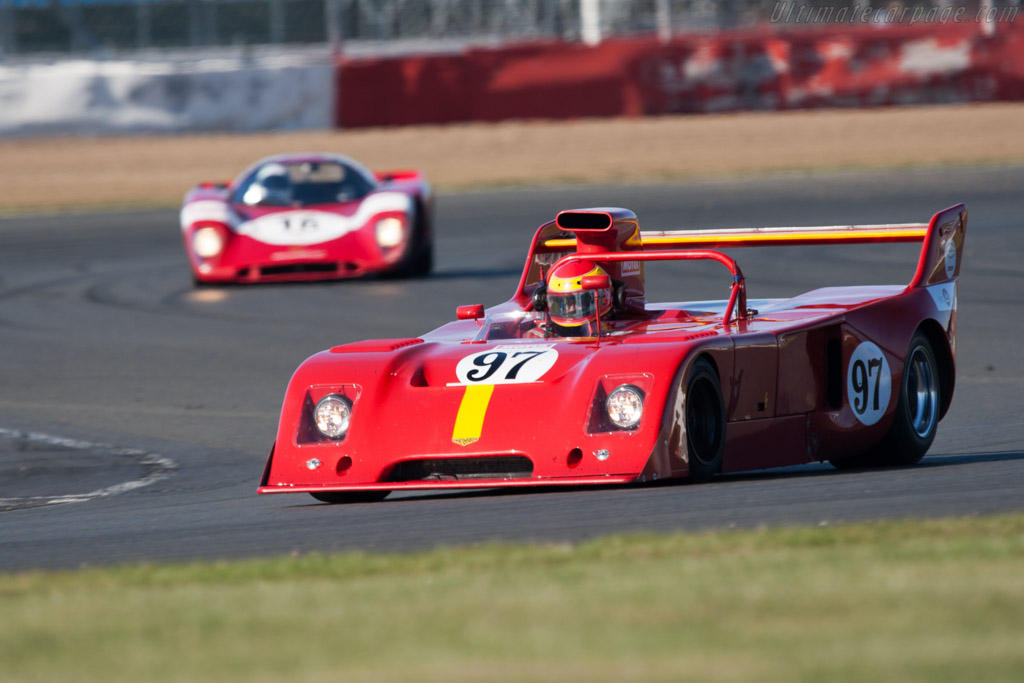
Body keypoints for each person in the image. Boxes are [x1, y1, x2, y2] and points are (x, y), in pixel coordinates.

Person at [529, 260, 614, 338]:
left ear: (602, 299)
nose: (571, 308)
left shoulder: (619, 333)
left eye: (581, 301)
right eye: (565, 302)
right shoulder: (536, 336)